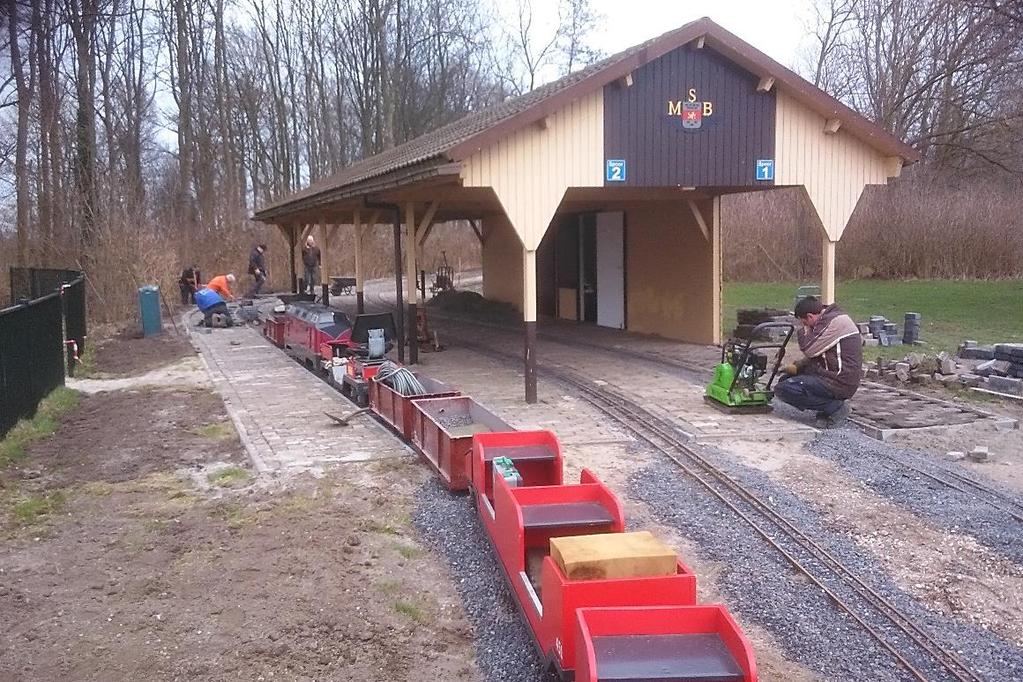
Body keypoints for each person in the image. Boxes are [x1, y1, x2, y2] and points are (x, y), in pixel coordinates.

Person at [774, 296, 862, 425]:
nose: (804, 326)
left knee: (785, 389)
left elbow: (808, 349)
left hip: (839, 382)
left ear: (810, 316)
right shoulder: (828, 319)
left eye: (804, 322)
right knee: (785, 380)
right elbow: (817, 354)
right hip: (832, 376)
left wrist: (804, 329)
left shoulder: (834, 323)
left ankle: (835, 407)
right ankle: (828, 407)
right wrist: (797, 367)